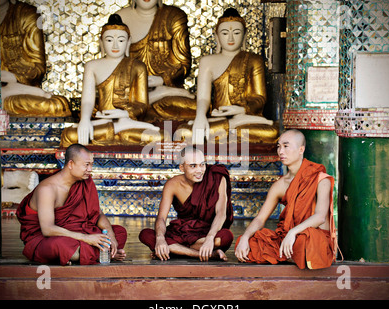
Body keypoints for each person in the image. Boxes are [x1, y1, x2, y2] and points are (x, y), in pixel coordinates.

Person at [234, 129, 339, 269]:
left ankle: (288, 254)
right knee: (248, 243)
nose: (280, 151)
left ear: (301, 149)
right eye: (278, 146)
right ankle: (289, 254)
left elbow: (320, 217)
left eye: (286, 146)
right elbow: (260, 219)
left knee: (304, 241)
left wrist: (293, 232)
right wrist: (246, 237)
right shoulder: (280, 185)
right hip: (287, 239)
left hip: (311, 237)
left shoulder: (320, 178)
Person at [16, 144, 127, 265]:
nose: (90, 169)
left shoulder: (85, 182)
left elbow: (97, 213)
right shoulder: (47, 189)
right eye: (86, 165)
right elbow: (47, 229)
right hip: (49, 238)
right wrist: (87, 239)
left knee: (119, 231)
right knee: (63, 247)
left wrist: (112, 237)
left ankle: (94, 253)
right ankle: (103, 253)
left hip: (79, 232)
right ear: (70, 164)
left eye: (91, 164)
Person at [60, 14, 160, 147]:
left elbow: (142, 105)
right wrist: (84, 120)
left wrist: (124, 113)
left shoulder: (137, 66)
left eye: (121, 40)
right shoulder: (92, 66)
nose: (115, 45)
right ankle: (118, 127)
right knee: (70, 135)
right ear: (101, 42)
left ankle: (120, 125)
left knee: (159, 137)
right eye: (108, 40)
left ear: (128, 42)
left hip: (128, 120)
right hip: (103, 120)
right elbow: (88, 100)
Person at [183, 8, 278, 145]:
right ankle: (234, 124)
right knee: (185, 132)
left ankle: (235, 123)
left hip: (246, 117)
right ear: (217, 37)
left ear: (245, 36)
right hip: (217, 118)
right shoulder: (207, 61)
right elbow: (203, 97)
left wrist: (241, 110)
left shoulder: (254, 60)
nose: (231, 38)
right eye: (225, 33)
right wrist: (200, 117)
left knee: (272, 133)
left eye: (237, 32)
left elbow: (260, 98)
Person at [139, 146, 234, 261]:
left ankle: (174, 251)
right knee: (146, 235)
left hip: (207, 232)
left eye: (202, 164)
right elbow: (161, 218)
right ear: (182, 167)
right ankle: (202, 254)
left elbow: (221, 213)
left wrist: (210, 238)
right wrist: (160, 239)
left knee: (225, 237)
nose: (199, 170)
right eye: (193, 166)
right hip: (182, 232)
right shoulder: (172, 184)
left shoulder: (217, 177)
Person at [116, 0, 195, 121]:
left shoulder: (173, 16)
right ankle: (155, 96)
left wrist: (162, 79)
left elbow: (183, 64)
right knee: (105, 105)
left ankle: (160, 96)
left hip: (168, 95)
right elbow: (113, 65)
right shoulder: (120, 19)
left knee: (196, 108)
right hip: (130, 93)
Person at [0, 0, 71, 117]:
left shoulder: (25, 14)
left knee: (57, 105)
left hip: (14, 91)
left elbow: (37, 68)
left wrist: (11, 76)